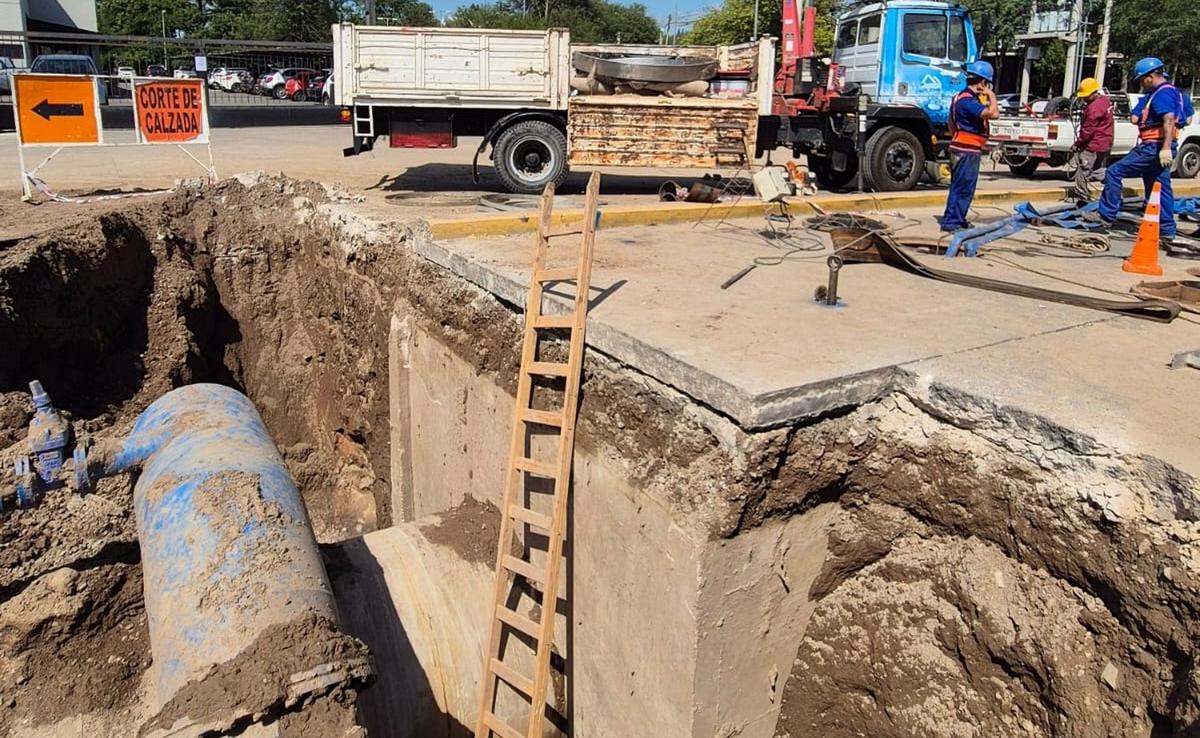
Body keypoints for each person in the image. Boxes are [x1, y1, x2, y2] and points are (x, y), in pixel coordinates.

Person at [1091, 57, 1181, 244]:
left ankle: (1106, 217)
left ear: (1149, 77)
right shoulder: (1174, 93)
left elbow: (1169, 119)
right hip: (1161, 145)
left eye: (1141, 80)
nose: (1141, 84)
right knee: (1159, 186)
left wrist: (1164, 147)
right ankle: (1166, 230)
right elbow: (1186, 118)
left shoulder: (1161, 94)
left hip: (1153, 146)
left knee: (1115, 172)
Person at [941, 60, 1000, 232]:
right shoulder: (968, 101)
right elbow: (993, 114)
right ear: (983, 82)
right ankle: (952, 222)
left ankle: (957, 220)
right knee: (963, 188)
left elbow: (950, 124)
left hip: (960, 146)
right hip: (967, 149)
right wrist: (992, 96)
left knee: (960, 187)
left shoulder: (959, 98)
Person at [1069, 77, 1113, 202]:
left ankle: (1083, 198)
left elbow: (1088, 131)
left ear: (1094, 93)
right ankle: (1113, 182)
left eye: (1086, 96)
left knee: (1083, 171)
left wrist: (1078, 144)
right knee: (1095, 169)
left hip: (1093, 145)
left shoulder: (1094, 108)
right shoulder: (1105, 101)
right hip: (1104, 143)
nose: (1084, 99)